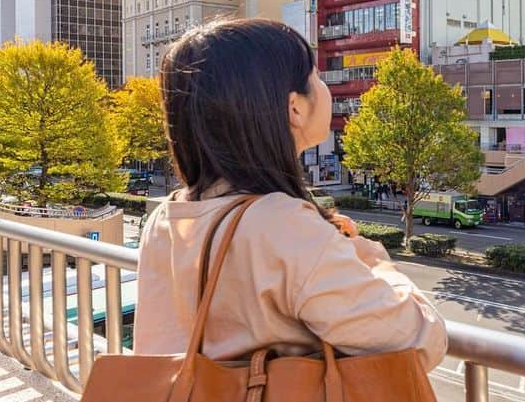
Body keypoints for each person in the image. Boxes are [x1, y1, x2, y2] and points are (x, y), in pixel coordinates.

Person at [133, 18, 446, 369]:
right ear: (294, 106)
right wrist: (372, 257)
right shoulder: (282, 224)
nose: (324, 87)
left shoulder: (168, 215)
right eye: (316, 75)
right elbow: (419, 338)